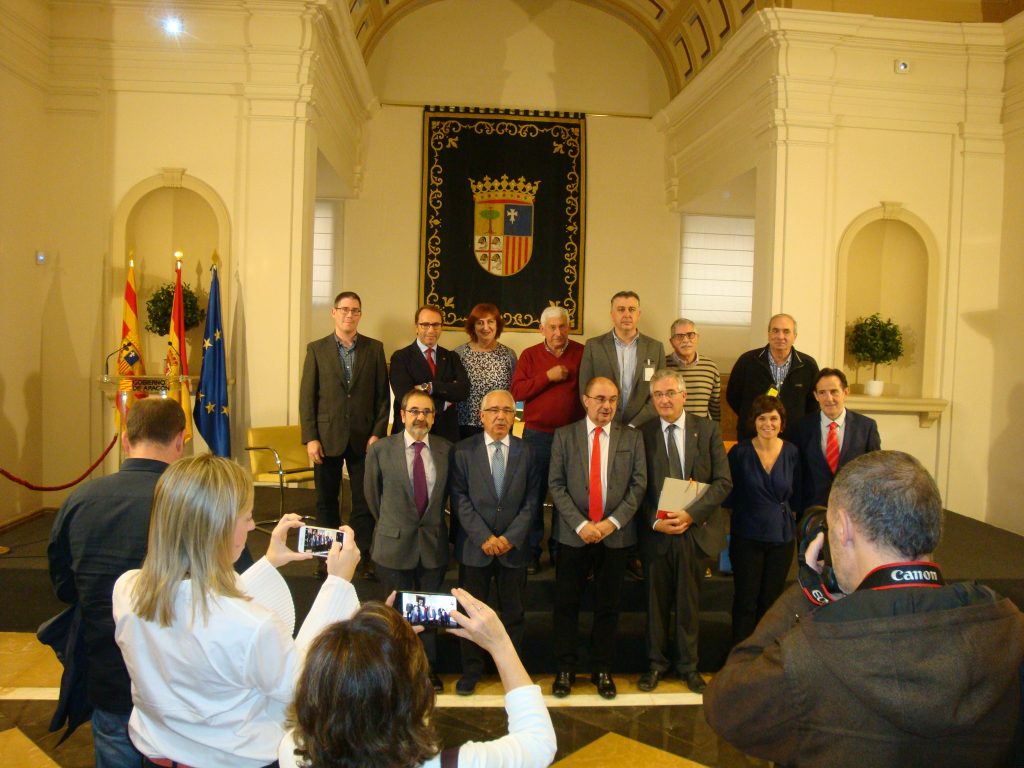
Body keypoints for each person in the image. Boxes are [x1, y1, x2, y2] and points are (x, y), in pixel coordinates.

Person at [705, 451, 1024, 767]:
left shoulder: (809, 653)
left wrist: (809, 589)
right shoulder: (1009, 629)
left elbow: (727, 706)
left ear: (842, 527)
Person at [112, 454, 361, 768]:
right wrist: (337, 583)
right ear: (217, 530)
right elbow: (304, 683)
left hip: (158, 756)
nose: (253, 525)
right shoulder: (253, 626)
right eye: (246, 517)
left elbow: (204, 610)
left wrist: (269, 563)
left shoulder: (128, 589)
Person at [47, 398, 185, 768]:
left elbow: (63, 587)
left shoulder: (80, 500)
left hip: (107, 676)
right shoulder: (190, 505)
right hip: (175, 683)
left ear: (125, 440)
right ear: (180, 442)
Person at [279, 592, 557, 768]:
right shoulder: (455, 764)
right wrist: (501, 645)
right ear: (412, 696)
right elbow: (539, 743)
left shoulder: (293, 750)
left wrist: (379, 640)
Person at [548, 376, 647, 699]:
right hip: (573, 535)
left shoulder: (631, 438)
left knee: (609, 606)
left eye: (613, 400)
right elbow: (556, 485)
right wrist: (580, 524)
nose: (607, 406)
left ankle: (601, 668)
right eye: (601, 399)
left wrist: (611, 523)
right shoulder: (564, 435)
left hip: (614, 536)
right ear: (585, 400)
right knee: (566, 604)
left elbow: (638, 485)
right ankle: (565, 668)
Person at [637, 369, 732, 694]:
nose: (664, 399)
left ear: (684, 395)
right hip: (657, 533)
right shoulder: (641, 433)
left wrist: (691, 515)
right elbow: (636, 488)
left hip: (695, 531)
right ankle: (655, 665)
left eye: (669, 393)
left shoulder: (706, 430)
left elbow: (723, 482)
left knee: (689, 604)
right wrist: (654, 521)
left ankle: (689, 667)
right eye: (658, 395)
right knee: (656, 605)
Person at [450, 389, 541, 695]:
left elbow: (532, 501)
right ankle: (471, 671)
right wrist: (484, 537)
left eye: (507, 411)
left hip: (513, 549)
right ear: (482, 416)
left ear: (515, 416)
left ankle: (510, 671)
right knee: (471, 613)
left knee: (513, 613)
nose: (501, 416)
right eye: (494, 411)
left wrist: (509, 538)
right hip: (475, 548)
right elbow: (459, 499)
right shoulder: (462, 451)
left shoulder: (527, 452)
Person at [365, 388, 453, 692]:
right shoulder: (380, 451)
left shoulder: (445, 450)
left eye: (427, 412)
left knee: (428, 611)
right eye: (414, 411)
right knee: (394, 616)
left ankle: (427, 670)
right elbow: (372, 498)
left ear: (433, 418)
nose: (421, 417)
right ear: (402, 415)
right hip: (393, 544)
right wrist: (394, 525)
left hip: (431, 545)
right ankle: (395, 673)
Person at [299, 290, 389, 579]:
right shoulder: (317, 349)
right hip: (326, 438)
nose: (350, 314)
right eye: (345, 309)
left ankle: (361, 557)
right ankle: (326, 558)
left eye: (355, 310)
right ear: (333, 312)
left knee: (364, 502)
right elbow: (307, 397)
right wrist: (310, 437)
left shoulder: (374, 349)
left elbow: (382, 399)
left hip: (365, 440)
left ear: (360, 315)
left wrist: (377, 433)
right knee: (326, 501)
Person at [510, 305, 585, 574]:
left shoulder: (582, 352)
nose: (558, 332)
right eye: (552, 327)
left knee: (569, 496)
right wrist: (547, 376)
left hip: (574, 436)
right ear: (541, 329)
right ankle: (531, 551)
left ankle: (560, 550)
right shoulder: (529, 356)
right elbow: (517, 391)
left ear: (569, 327)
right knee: (534, 494)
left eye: (562, 326)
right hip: (537, 435)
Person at [723, 395, 800, 645]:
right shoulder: (740, 452)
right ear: (753, 422)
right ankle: (740, 656)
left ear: (782, 422)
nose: (768, 423)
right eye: (762, 418)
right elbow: (728, 494)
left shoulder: (791, 452)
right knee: (746, 600)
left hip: (781, 537)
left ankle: (765, 656)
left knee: (771, 600)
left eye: (774, 418)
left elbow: (797, 492)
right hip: (747, 535)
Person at [789, 367, 880, 512]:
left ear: (845, 392)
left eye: (834, 391)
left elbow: (875, 472)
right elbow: (796, 474)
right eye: (822, 393)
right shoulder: (800, 428)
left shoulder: (866, 427)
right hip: (812, 511)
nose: (829, 399)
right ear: (815, 396)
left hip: (854, 510)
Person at [579, 291, 664, 428]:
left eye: (631, 309)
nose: (627, 315)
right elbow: (585, 388)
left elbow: (660, 392)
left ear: (638, 314)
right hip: (604, 425)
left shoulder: (655, 348)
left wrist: (635, 424)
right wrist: (603, 419)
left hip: (643, 427)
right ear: (612, 315)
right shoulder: (594, 346)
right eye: (620, 309)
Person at [726, 313, 818, 440]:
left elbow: (813, 405)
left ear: (795, 336)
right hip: (753, 438)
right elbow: (733, 396)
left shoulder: (808, 365)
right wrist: (755, 418)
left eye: (786, 332)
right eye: (775, 331)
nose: (780, 336)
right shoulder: (747, 361)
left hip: (794, 439)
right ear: (768, 334)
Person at [390, 304, 470, 443]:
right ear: (416, 327)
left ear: (441, 327)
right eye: (425, 325)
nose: (431, 330)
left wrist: (430, 387)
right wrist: (444, 402)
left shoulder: (451, 357)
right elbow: (406, 397)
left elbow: (463, 390)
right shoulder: (400, 357)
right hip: (411, 433)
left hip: (446, 435)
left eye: (436, 325)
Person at [453, 303, 518, 440]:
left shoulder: (509, 355)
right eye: (480, 323)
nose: (485, 327)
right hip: (466, 425)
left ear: (497, 325)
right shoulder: (459, 354)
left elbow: (515, 391)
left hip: (499, 423)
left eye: (490, 322)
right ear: (473, 326)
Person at [664, 317, 721, 421]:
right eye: (679, 336)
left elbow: (715, 408)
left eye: (690, 335)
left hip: (701, 433)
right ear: (671, 342)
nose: (686, 340)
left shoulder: (710, 367)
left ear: (697, 338)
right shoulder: (662, 365)